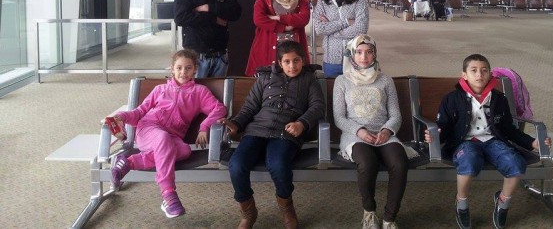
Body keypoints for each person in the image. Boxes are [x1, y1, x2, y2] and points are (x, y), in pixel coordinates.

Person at [424, 54, 552, 229]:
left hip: (493, 140)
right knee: (468, 161)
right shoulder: (452, 98)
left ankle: (503, 201)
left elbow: (508, 129)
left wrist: (532, 143)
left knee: (515, 163)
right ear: (464, 75)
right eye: (474, 70)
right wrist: (435, 135)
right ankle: (461, 202)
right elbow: (443, 126)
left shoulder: (498, 99)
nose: (479, 75)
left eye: (484, 70)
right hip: (464, 142)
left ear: (490, 74)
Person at [108, 49, 227, 218]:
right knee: (163, 139)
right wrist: (121, 117)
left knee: (184, 150)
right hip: (148, 129)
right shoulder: (160, 89)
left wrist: (204, 127)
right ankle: (168, 194)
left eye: (188, 68)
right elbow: (139, 112)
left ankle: (129, 162)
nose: (183, 72)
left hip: (172, 137)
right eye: (179, 68)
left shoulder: (200, 92)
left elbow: (219, 109)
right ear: (172, 69)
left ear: (195, 69)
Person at [220, 40, 325, 229]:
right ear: (279, 63)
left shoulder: (309, 80)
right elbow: (250, 107)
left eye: (296, 61)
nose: (292, 66)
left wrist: (302, 123)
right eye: (287, 62)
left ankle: (287, 207)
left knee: (277, 165)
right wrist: (236, 123)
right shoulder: (265, 78)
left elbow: (318, 106)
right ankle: (248, 211)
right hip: (257, 130)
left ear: (303, 60)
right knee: (237, 165)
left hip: (286, 132)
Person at [333, 35, 408, 229]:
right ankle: (369, 211)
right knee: (367, 163)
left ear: (375, 54)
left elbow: (395, 115)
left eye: (369, 52)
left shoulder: (385, 80)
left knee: (399, 163)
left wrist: (387, 130)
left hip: (384, 134)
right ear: (352, 55)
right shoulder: (342, 81)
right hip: (354, 135)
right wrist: (359, 131)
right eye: (359, 52)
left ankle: (389, 218)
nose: (364, 57)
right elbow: (339, 118)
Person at [245, 0, 310, 76]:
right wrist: (284, 27)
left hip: (293, 47)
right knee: (267, 81)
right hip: (268, 45)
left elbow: (304, 18)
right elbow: (258, 18)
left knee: (294, 81)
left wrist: (278, 17)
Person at [314, 0, 369, 78]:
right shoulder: (323, 0)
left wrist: (330, 30)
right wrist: (346, 22)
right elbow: (319, 29)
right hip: (331, 60)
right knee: (333, 90)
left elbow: (361, 28)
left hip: (355, 59)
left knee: (356, 90)